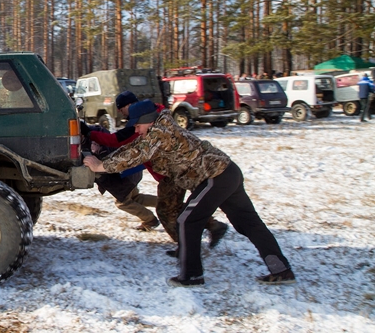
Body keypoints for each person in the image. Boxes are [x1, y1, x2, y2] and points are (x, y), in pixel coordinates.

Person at [83, 100, 295, 286]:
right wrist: (103, 159)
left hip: (215, 176)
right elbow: (133, 147)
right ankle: (281, 270)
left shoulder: (160, 133)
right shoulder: (159, 129)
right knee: (248, 223)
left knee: (187, 220)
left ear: (148, 120)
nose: (136, 130)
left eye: (138, 125)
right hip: (227, 172)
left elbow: (137, 154)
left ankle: (192, 275)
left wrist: (100, 166)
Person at [93, 91, 228, 244]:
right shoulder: (154, 118)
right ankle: (204, 231)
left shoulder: (144, 125)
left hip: (171, 174)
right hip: (173, 173)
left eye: (121, 108)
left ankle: (188, 245)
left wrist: (91, 138)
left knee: (167, 210)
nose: (122, 113)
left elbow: (123, 146)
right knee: (171, 208)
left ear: (129, 105)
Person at [82, 120, 159, 231]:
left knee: (123, 203)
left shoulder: (96, 143)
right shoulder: (96, 132)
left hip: (123, 177)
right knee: (136, 198)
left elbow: (107, 162)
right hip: (131, 174)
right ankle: (169, 204)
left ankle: (150, 220)